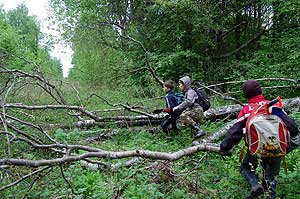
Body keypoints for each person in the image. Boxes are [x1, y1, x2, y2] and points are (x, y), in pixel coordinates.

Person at [219, 80, 300, 199]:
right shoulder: (274, 105)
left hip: (256, 150)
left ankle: (256, 185)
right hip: (276, 148)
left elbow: (234, 133)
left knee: (245, 168)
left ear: (246, 94)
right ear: (260, 91)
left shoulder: (247, 110)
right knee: (270, 183)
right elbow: (292, 126)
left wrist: (224, 147)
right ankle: (267, 191)